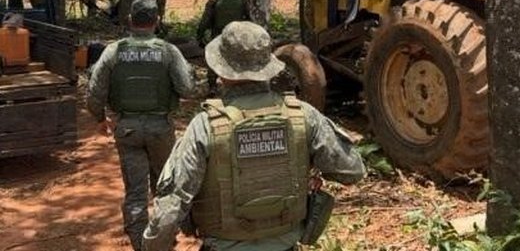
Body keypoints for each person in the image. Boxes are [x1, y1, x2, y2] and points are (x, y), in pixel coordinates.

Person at [142, 21, 366, 251]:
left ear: (221, 70)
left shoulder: (205, 126)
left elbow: (171, 205)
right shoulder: (304, 116)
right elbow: (352, 171)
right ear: (268, 66)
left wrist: (152, 246)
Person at [86, 0, 196, 251]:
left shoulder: (113, 51)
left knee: (135, 191)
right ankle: (165, 238)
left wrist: (100, 119)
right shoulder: (168, 52)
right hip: (161, 129)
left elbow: (94, 93)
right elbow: (187, 88)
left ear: (129, 21)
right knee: (165, 186)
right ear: (157, 22)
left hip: (127, 129)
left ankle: (139, 244)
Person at [197, 0, 250, 97]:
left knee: (214, 59)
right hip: (237, 34)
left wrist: (199, 36)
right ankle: (237, 85)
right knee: (236, 60)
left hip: (218, 34)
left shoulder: (214, 0)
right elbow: (249, 18)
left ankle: (213, 87)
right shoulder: (242, 0)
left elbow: (205, 20)